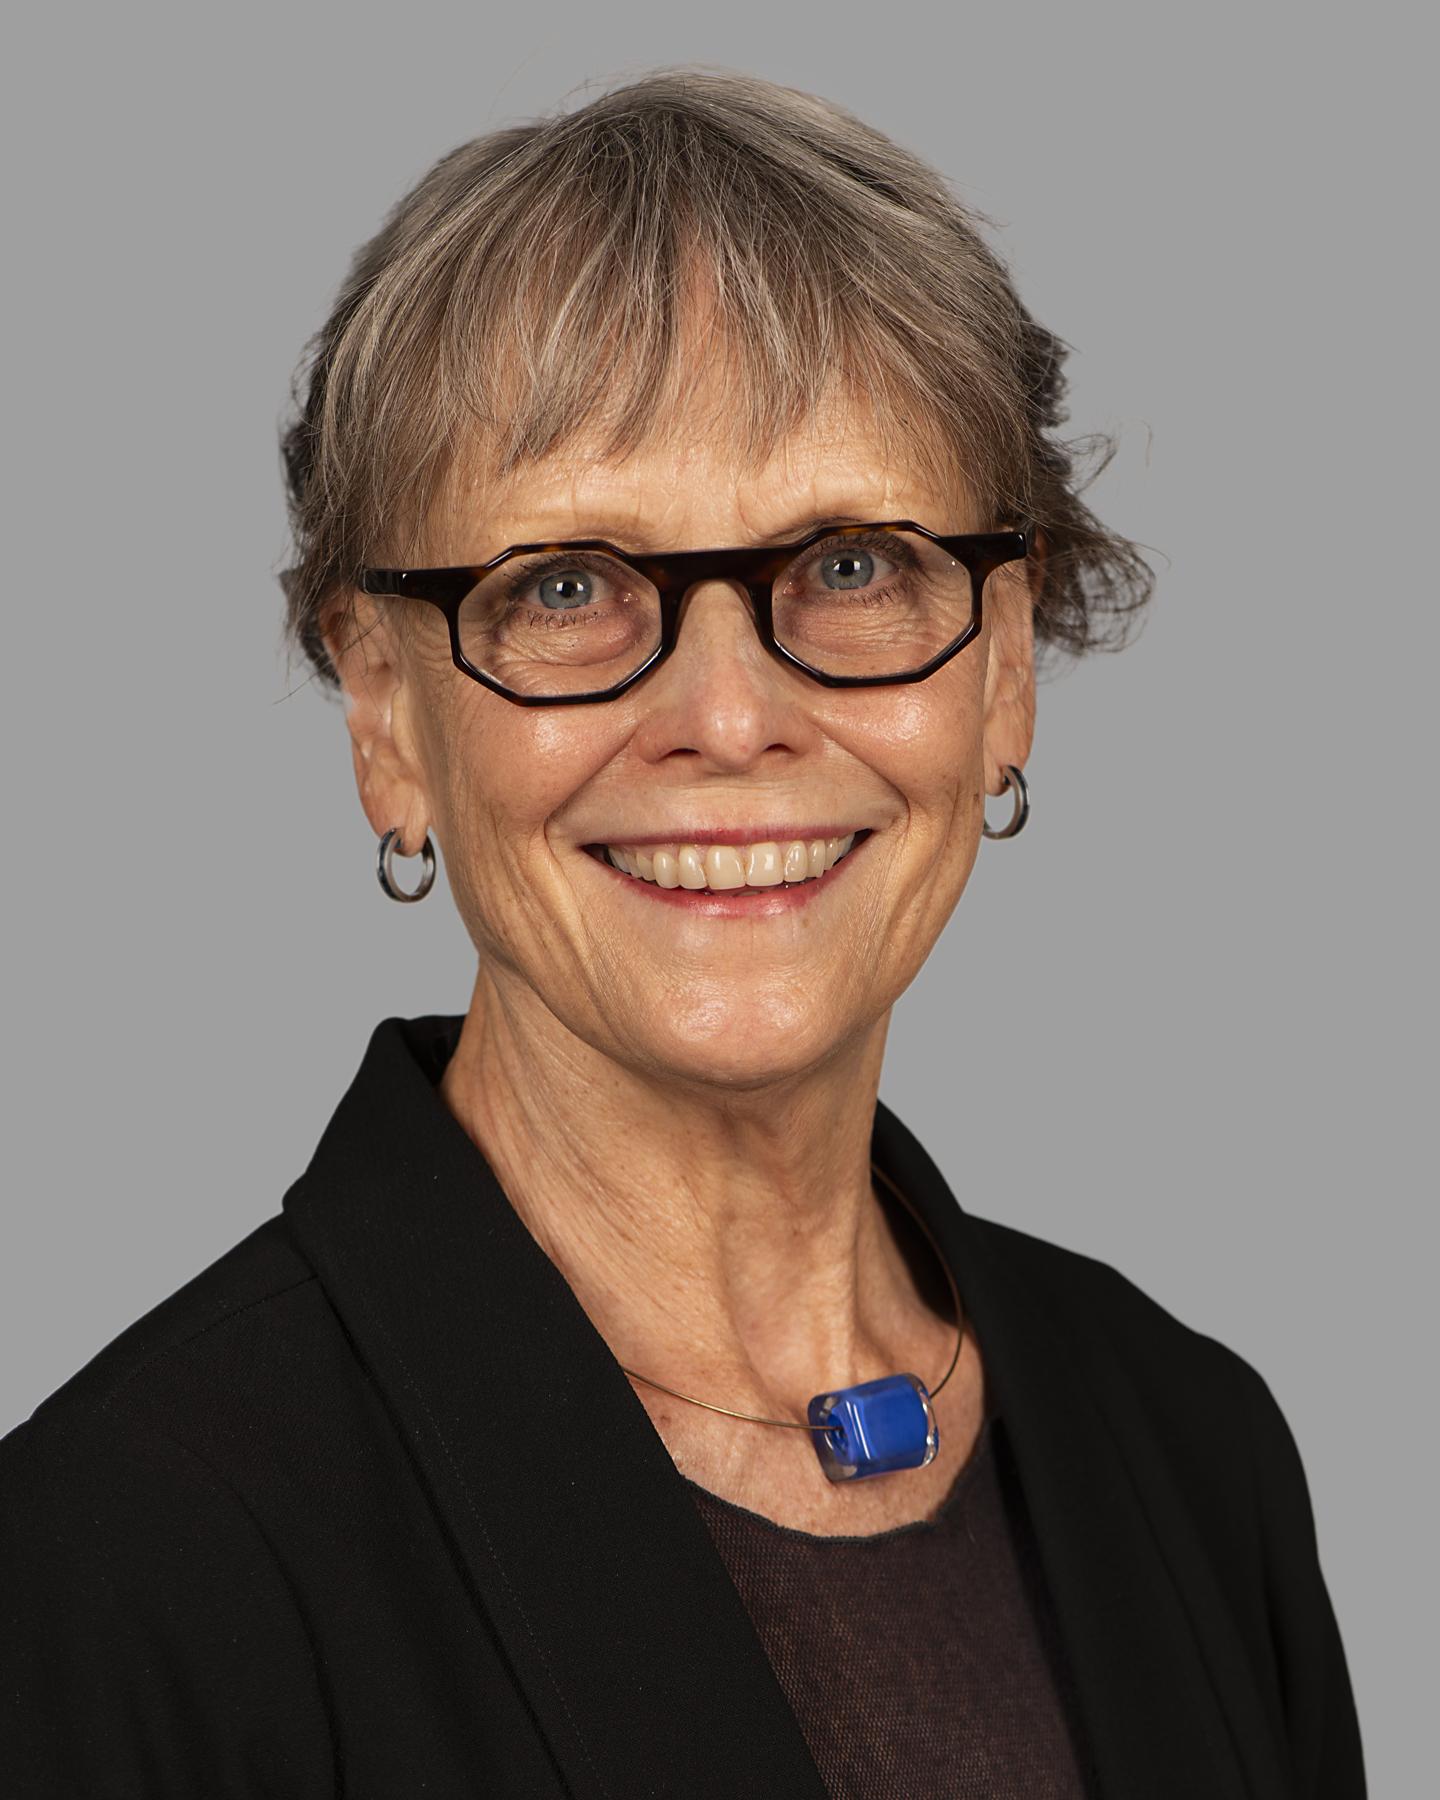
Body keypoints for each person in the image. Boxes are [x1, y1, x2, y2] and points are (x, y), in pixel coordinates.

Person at [0, 66, 1365, 1799]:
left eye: (857, 565)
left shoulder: (1192, 1449)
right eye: (567, 585)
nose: (729, 717)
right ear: (383, 710)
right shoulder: (125, 1563)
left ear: (1005, 663)